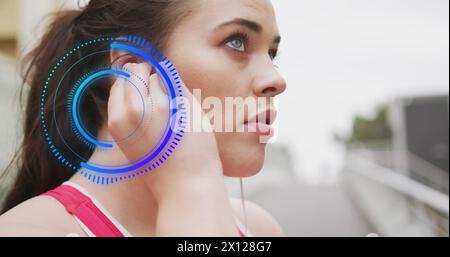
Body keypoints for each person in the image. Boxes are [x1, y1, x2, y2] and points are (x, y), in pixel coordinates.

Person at [0, 0, 287, 237]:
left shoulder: (257, 229)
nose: (276, 79)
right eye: (236, 42)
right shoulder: (26, 231)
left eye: (271, 53)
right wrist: (190, 183)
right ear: (133, 67)